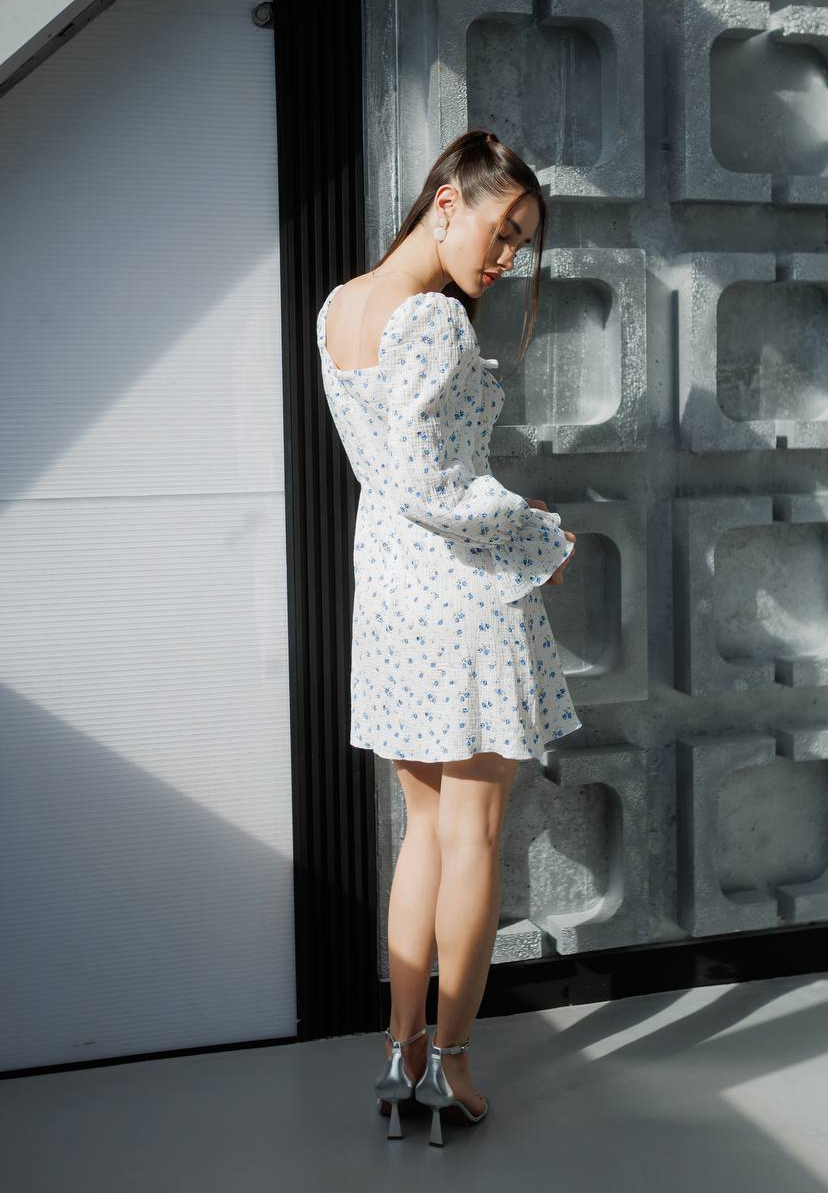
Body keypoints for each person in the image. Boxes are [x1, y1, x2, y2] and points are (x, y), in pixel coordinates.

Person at [316, 128, 581, 1145]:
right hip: (460, 596)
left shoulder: (340, 306)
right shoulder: (431, 322)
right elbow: (434, 482)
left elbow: (395, 479)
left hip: (385, 592)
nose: (506, 256)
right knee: (468, 835)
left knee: (424, 832)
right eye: (501, 229)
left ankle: (400, 1051)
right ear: (445, 203)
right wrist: (534, 533)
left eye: (521, 241)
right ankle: (452, 1069)